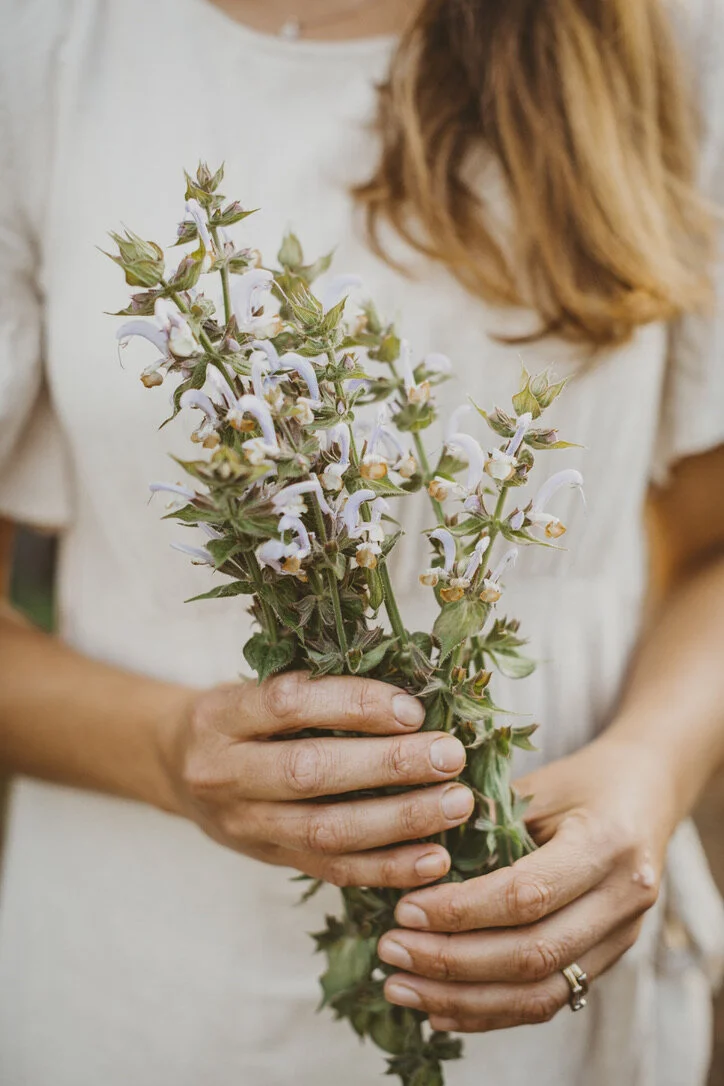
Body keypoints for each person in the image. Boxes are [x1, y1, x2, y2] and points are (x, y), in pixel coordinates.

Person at [1, 0, 724, 1083]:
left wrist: (649, 769)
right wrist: (168, 749)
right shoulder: (45, 44)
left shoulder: (669, 29)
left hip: (558, 978)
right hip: (147, 993)